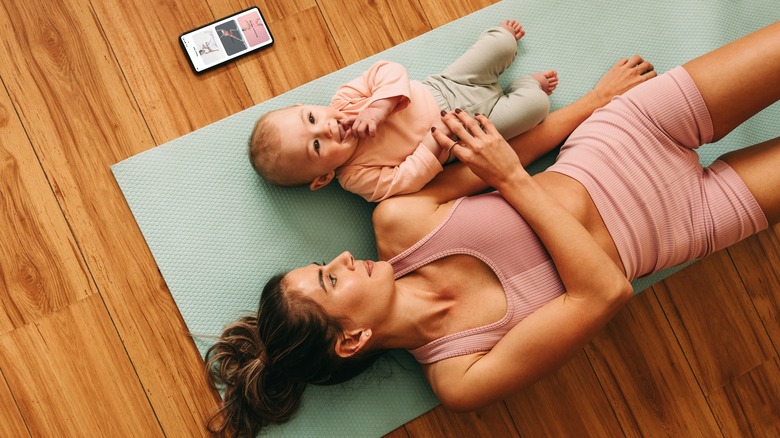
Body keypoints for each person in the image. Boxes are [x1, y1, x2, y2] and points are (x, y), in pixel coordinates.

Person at [206, 22, 780, 437]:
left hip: (627, 131)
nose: (341, 257)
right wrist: (511, 179)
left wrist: (597, 102)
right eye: (331, 280)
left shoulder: (398, 220)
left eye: (321, 265)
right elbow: (604, 291)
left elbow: (505, 150)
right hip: (696, 217)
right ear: (351, 338)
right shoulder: (461, 376)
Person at [248, 20, 558, 201]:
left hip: (447, 84)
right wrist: (437, 139)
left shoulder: (343, 100)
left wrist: (379, 108)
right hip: (468, 131)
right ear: (323, 178)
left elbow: (388, 70)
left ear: (308, 106)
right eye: (316, 145)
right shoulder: (355, 177)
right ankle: (527, 87)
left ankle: (503, 39)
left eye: (312, 119)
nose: (326, 128)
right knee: (535, 108)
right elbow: (405, 180)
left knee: (500, 44)